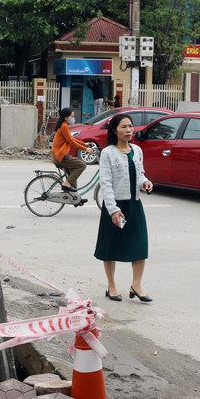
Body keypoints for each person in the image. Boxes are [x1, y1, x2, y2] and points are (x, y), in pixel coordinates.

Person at [94, 113, 153, 303]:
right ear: (114, 130)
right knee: (110, 247)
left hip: (134, 204)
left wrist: (145, 182)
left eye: (130, 126)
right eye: (124, 127)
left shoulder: (137, 150)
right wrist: (112, 209)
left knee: (140, 245)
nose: (129, 130)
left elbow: (140, 174)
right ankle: (111, 285)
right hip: (115, 206)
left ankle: (137, 285)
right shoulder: (108, 153)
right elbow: (106, 183)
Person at [51, 108, 94, 197]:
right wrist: (86, 149)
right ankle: (66, 184)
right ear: (66, 117)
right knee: (82, 165)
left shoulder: (63, 125)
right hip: (61, 156)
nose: (74, 118)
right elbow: (71, 142)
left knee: (72, 172)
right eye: (72, 116)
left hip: (58, 155)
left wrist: (84, 144)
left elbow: (71, 139)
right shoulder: (64, 126)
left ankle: (74, 197)